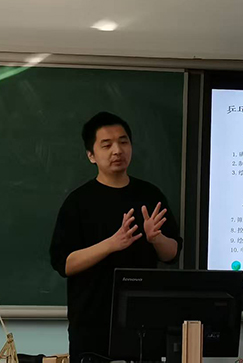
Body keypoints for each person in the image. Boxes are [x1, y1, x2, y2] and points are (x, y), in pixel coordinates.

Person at [50, 111, 182, 361]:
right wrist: (111, 244)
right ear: (91, 155)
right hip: (91, 324)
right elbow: (64, 263)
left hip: (144, 324)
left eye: (123, 142)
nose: (117, 150)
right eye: (106, 145)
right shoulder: (78, 202)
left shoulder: (150, 195)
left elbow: (172, 253)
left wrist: (156, 239)